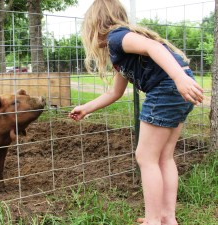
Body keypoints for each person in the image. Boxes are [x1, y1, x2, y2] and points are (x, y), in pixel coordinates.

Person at [68, 0, 204, 225]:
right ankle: (166, 218)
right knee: (163, 156)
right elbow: (115, 92)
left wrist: (178, 78)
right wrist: (86, 108)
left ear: (95, 24)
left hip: (169, 87)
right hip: (177, 88)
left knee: (146, 157)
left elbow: (155, 48)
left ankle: (153, 221)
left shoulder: (117, 38)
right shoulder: (120, 53)